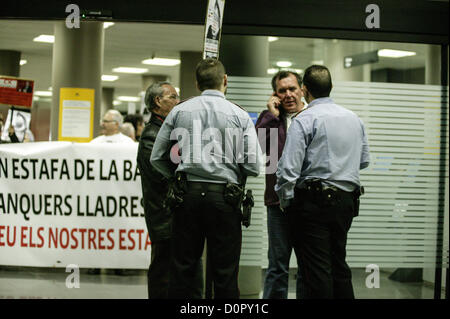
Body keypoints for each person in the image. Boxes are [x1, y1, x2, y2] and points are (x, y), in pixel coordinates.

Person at [151, 58, 262, 299]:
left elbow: (156, 157)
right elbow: (254, 166)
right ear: (225, 81)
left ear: (197, 83)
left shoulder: (180, 111)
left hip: (187, 196)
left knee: (183, 270)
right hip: (225, 199)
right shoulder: (240, 115)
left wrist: (176, 176)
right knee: (225, 272)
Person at [275, 65, 370, 299]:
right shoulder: (354, 119)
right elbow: (363, 161)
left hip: (313, 204)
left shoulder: (305, 119)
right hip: (347, 202)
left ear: (305, 90)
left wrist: (285, 200)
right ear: (331, 87)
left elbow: (288, 170)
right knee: (339, 265)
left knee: (317, 272)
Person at [137, 81, 204, 299]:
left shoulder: (170, 130)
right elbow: (160, 173)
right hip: (164, 216)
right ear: (158, 101)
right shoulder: (152, 135)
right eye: (173, 97)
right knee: (163, 273)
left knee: (187, 272)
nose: (178, 101)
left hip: (177, 213)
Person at [255, 70, 306, 299]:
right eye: (282, 90)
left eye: (292, 89)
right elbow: (255, 149)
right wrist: (270, 115)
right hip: (277, 204)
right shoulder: (272, 120)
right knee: (277, 266)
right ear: (275, 94)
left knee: (307, 266)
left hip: (308, 203)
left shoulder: (312, 117)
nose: (288, 95)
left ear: (302, 89)